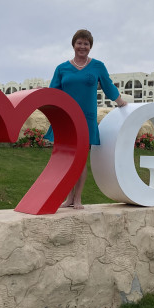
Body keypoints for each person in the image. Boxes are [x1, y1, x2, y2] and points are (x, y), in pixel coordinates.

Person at [46, 29, 127, 209]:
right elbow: (54, 92)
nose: (82, 46)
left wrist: (120, 101)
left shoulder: (98, 66)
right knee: (68, 158)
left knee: (80, 159)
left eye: (86, 43)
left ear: (90, 46)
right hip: (66, 118)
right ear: (73, 45)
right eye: (79, 43)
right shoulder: (61, 68)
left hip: (86, 119)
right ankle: (68, 198)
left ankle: (78, 198)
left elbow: (108, 85)